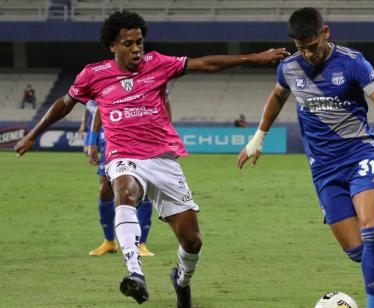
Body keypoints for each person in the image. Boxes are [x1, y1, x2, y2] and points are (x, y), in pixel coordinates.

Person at [15, 10, 288, 307]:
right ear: (113, 46)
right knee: (124, 190)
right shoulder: (93, 74)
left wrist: (254, 58)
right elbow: (65, 104)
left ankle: (181, 279)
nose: (136, 49)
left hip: (163, 160)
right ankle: (136, 275)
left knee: (192, 241)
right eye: (128, 43)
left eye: (139, 42)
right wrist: (34, 133)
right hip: (123, 156)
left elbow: (206, 63)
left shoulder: (158, 64)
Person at [237, 7, 374, 308]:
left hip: (360, 155)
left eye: (313, 47)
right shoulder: (289, 68)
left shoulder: (353, 63)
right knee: (357, 251)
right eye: (301, 49)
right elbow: (278, 96)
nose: (308, 55)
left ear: (325, 33)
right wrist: (258, 138)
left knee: (370, 230)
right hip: (324, 169)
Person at [86, 101, 155, 257]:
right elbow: (100, 109)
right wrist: (92, 142)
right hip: (113, 142)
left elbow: (163, 110)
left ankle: (140, 243)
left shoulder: (146, 83)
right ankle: (109, 241)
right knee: (105, 191)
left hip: (142, 142)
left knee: (143, 192)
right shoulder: (112, 83)